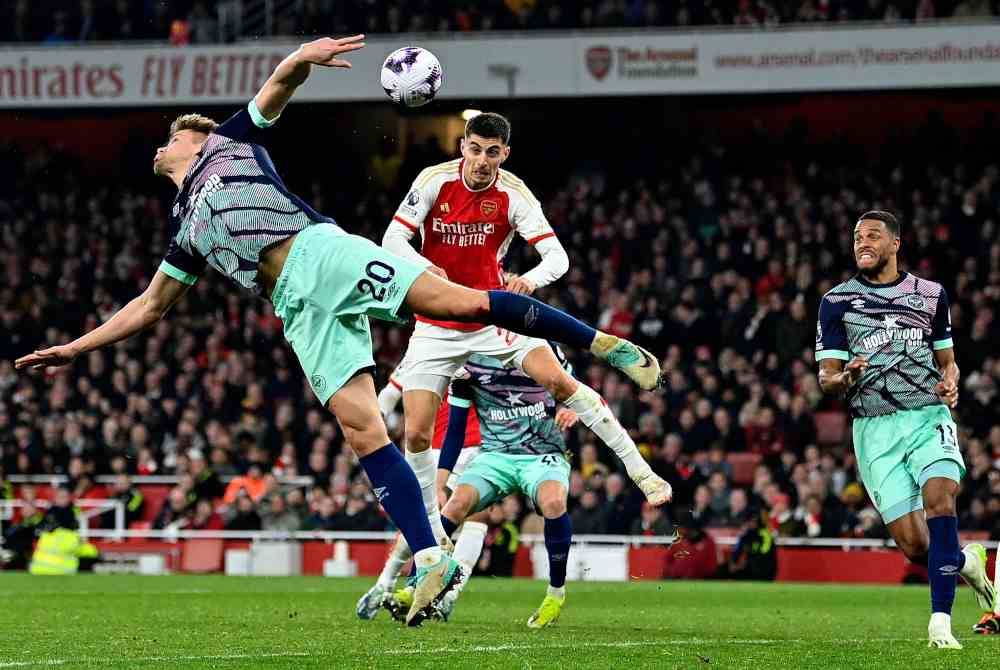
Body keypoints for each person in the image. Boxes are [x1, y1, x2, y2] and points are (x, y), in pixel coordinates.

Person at [14, 35, 660, 628]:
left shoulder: (227, 143)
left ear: (193, 139)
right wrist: (76, 347)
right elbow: (149, 307)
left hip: (321, 252)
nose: (161, 144)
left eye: (170, 136)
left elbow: (278, 87)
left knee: (460, 302)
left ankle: (601, 344)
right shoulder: (186, 226)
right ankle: (433, 556)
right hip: (297, 306)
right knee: (362, 430)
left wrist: (303, 56)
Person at [381, 111, 669, 555]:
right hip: (436, 324)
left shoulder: (513, 193)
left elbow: (558, 258)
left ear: (504, 154)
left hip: (494, 314)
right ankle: (433, 541)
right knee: (417, 436)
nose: (481, 160)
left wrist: (530, 280)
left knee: (559, 381)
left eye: (491, 153)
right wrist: (424, 266)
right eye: (474, 149)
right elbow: (393, 241)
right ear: (463, 147)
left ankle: (642, 472)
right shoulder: (433, 181)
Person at [816, 210, 994, 648]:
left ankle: (940, 624)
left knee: (941, 498)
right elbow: (827, 378)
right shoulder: (836, 301)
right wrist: (847, 378)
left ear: (896, 244)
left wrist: (950, 380)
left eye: (873, 236)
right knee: (917, 547)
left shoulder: (930, 294)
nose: (862, 243)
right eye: (857, 236)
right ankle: (969, 563)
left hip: (926, 416)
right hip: (874, 430)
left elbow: (947, 359)